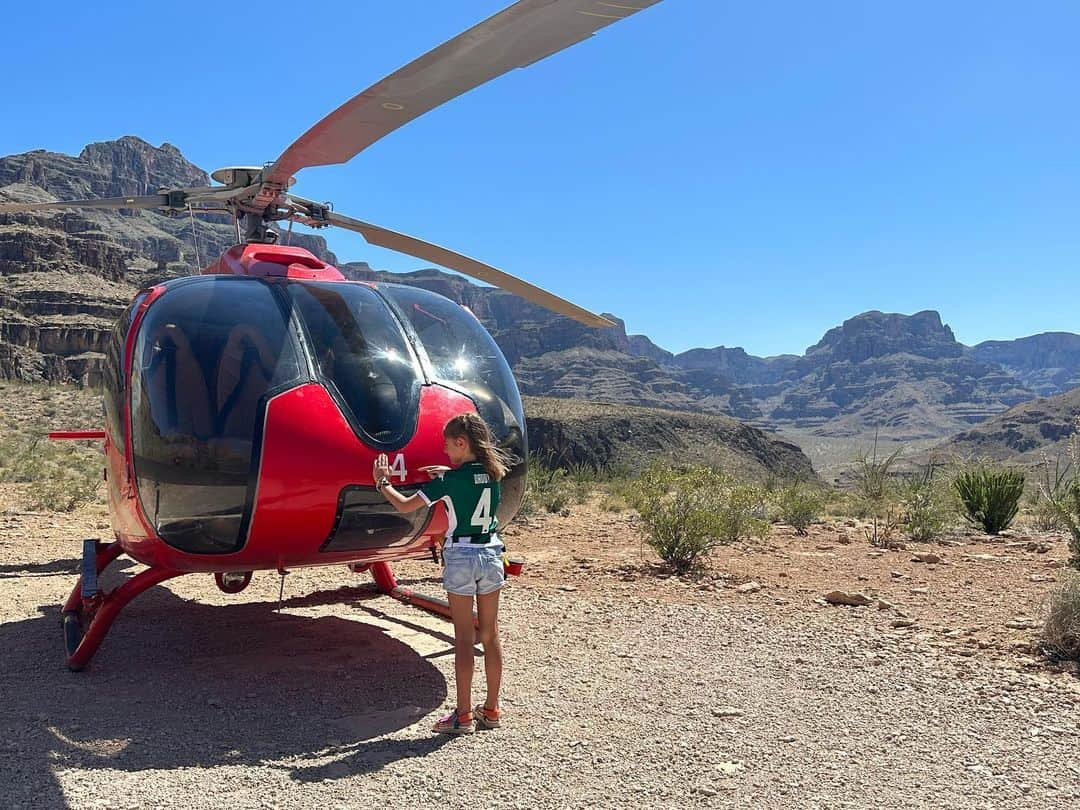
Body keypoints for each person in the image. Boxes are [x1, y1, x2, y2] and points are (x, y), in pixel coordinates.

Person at [373, 412, 513, 735]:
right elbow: (470, 484)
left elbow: (406, 505)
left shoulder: (448, 481)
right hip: (491, 553)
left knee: (464, 639)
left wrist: (383, 482)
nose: (446, 453)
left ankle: (462, 716)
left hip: (462, 556)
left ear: (462, 444)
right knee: (490, 635)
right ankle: (491, 710)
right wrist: (450, 473)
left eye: (449, 447)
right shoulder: (494, 474)